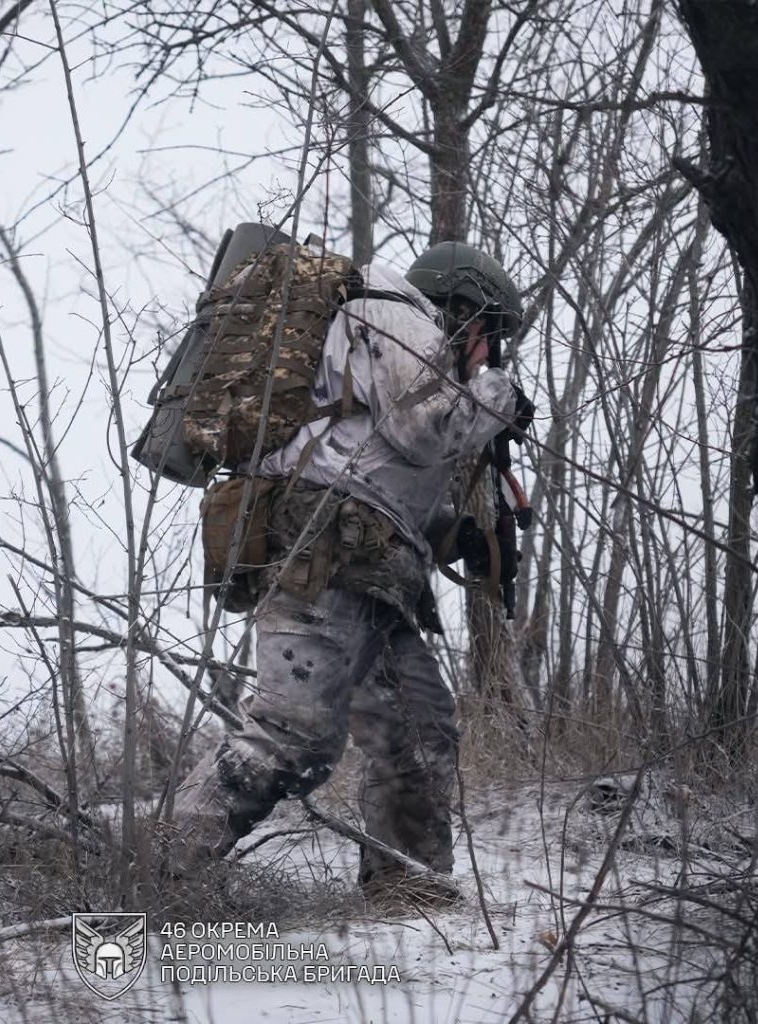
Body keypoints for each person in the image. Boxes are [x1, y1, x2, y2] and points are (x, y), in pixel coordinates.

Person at [168, 241, 534, 904]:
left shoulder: (399, 336)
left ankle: (409, 887)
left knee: (417, 723)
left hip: (366, 562)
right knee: (293, 731)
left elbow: (377, 477)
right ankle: (157, 874)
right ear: (465, 313)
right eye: (490, 339)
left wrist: (464, 536)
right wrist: (497, 396)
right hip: (322, 548)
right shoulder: (399, 315)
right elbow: (425, 429)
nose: (489, 355)